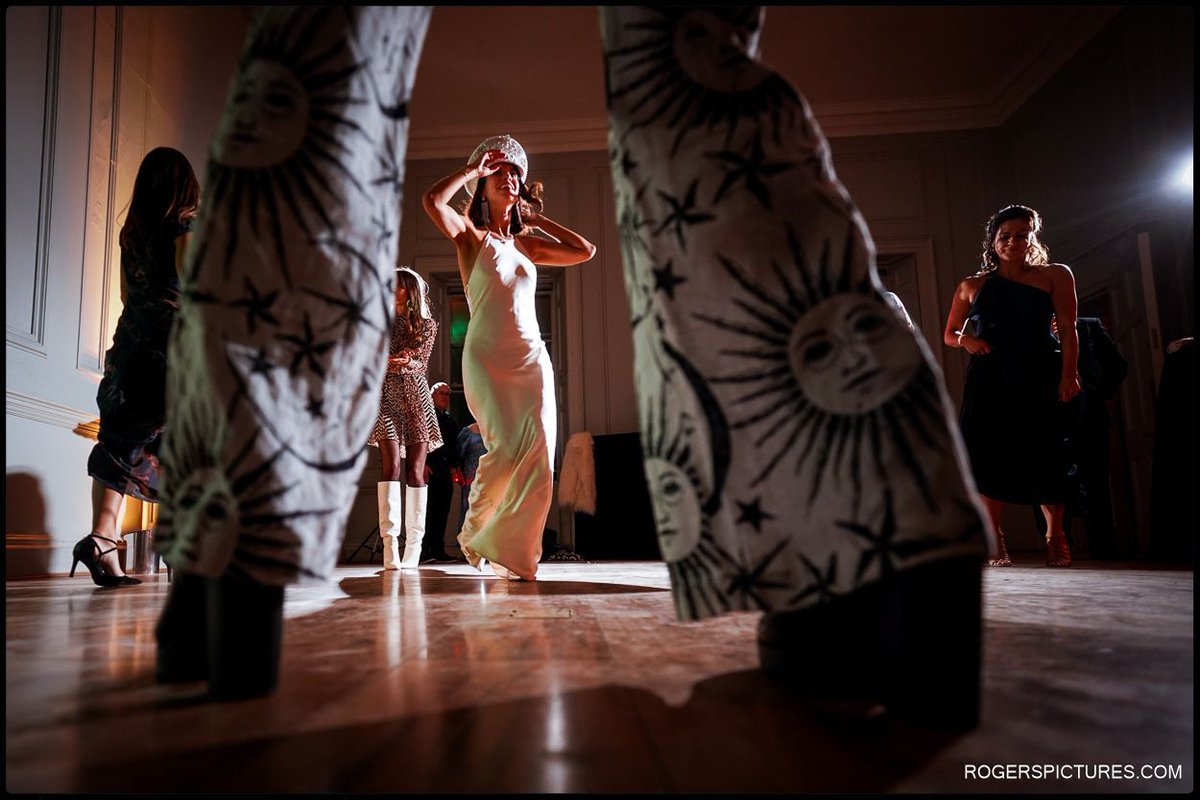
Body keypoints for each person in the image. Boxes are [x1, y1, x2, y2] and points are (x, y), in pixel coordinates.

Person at [421, 134, 596, 581]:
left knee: (538, 454)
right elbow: (431, 201)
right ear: (482, 184)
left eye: (515, 173)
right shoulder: (469, 235)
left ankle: (512, 551)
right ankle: (476, 530)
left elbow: (584, 250)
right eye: (499, 173)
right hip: (487, 357)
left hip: (532, 356)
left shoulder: (527, 244)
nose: (510, 179)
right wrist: (471, 170)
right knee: (501, 453)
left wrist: (537, 219)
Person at [76, 146, 199, 587]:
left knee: (119, 445)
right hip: (171, 350)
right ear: (186, 185)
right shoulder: (187, 225)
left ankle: (101, 540)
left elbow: (129, 297)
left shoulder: (132, 234)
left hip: (128, 347)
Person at [943, 204, 1082, 568]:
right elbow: (950, 334)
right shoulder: (972, 285)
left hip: (1039, 373)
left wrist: (1069, 373)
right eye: (1005, 236)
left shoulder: (1055, 275)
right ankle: (995, 540)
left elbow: (1068, 327)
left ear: (1032, 237)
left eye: (1022, 234)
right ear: (993, 241)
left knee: (1048, 453)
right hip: (990, 378)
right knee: (989, 455)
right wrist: (967, 342)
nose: (1013, 242)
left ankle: (1056, 536)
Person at [367, 267, 443, 570]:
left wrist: (402, 360)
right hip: (386, 398)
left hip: (416, 400)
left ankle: (414, 545)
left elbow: (419, 361)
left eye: (396, 286)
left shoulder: (427, 324)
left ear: (409, 291)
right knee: (391, 466)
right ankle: (390, 545)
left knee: (414, 471)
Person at [422, 381, 462, 562]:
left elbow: (453, 446)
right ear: (432, 396)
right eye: (442, 393)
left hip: (445, 470)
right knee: (428, 510)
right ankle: (424, 551)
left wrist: (454, 466)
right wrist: (422, 463)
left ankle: (438, 550)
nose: (445, 397)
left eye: (447, 394)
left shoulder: (448, 419)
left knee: (442, 511)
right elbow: (419, 442)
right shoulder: (425, 416)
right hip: (430, 469)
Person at [454, 421, 487, 540]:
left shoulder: (496, 430)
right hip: (472, 477)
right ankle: (467, 545)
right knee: (470, 508)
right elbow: (458, 453)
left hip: (490, 475)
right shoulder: (468, 432)